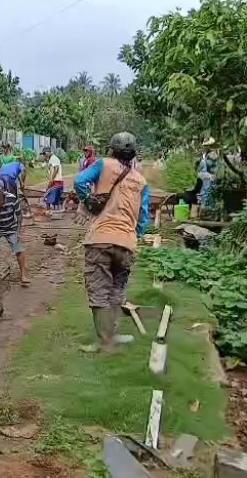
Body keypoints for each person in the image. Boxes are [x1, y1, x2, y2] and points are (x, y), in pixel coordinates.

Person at [74, 132, 151, 352]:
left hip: (100, 238)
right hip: (126, 242)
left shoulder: (103, 165)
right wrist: (134, 235)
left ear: (112, 150)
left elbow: (80, 181)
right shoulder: (141, 181)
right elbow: (143, 217)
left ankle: (104, 341)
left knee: (99, 290)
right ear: (133, 153)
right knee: (117, 289)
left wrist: (88, 200)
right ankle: (113, 335)